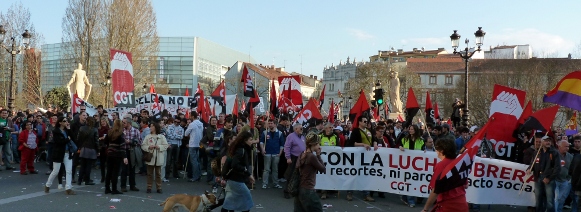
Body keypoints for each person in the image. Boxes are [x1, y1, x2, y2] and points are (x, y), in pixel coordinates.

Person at [422, 138, 468, 212]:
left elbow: (435, 190)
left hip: (447, 205)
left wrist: (425, 209)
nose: (436, 151)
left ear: (441, 151)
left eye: (436, 149)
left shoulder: (441, 165)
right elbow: (466, 185)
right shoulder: (460, 164)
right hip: (462, 204)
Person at [221, 131, 255, 212]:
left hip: (233, 178)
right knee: (247, 199)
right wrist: (247, 172)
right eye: (250, 139)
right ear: (245, 140)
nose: (252, 141)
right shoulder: (241, 150)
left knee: (229, 201)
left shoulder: (238, 148)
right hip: (236, 179)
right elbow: (235, 165)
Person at [294, 132, 326, 212]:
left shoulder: (302, 154)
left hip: (300, 189)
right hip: (308, 190)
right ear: (314, 144)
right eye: (318, 144)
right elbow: (322, 169)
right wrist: (318, 155)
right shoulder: (311, 156)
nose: (319, 146)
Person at [527, 136, 560, 211]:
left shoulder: (554, 153)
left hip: (549, 179)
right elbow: (532, 163)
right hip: (538, 178)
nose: (548, 142)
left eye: (549, 141)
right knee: (538, 200)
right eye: (546, 141)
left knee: (550, 201)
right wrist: (529, 169)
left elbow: (557, 168)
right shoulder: (537, 152)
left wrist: (549, 178)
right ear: (542, 142)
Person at [44, 117, 76, 195]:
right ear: (60, 123)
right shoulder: (55, 131)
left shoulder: (66, 130)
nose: (66, 122)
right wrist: (67, 139)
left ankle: (68, 188)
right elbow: (59, 142)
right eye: (64, 121)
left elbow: (74, 138)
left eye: (67, 121)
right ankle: (48, 185)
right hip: (58, 153)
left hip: (67, 152)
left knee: (69, 170)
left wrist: (69, 129)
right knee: (56, 171)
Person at [399, 124, 425, 207]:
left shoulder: (421, 140)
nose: (410, 130)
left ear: (416, 130)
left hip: (416, 164)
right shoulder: (404, 139)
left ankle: (406, 198)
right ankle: (410, 200)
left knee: (412, 182)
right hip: (406, 164)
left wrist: (424, 151)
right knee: (407, 181)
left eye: (412, 129)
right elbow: (398, 145)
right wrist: (400, 147)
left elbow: (423, 148)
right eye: (410, 129)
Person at [141, 122, 169, 193]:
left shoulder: (161, 137)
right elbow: (143, 145)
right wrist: (148, 147)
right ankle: (149, 187)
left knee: (158, 174)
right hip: (150, 157)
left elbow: (166, 145)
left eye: (152, 126)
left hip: (158, 157)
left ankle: (159, 187)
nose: (150, 128)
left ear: (155, 127)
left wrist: (159, 147)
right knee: (149, 174)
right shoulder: (148, 136)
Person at [105, 120, 129, 195]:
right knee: (115, 172)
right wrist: (124, 157)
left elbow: (105, 142)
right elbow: (122, 147)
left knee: (109, 171)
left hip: (110, 154)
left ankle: (107, 188)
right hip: (117, 155)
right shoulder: (121, 135)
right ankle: (114, 189)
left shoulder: (110, 133)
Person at [259, 119, 285, 189]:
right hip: (267, 153)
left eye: (271, 123)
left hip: (276, 153)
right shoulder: (265, 132)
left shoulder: (279, 133)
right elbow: (261, 142)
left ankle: (275, 183)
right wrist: (262, 149)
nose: (270, 125)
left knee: (275, 169)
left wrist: (280, 152)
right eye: (269, 123)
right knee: (266, 169)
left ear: (275, 124)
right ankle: (264, 183)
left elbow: (282, 144)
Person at [283, 124, 306, 199]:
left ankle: (295, 190)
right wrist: (288, 157)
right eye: (301, 128)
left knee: (299, 175)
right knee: (290, 174)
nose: (302, 130)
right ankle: (286, 191)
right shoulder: (291, 136)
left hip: (301, 157)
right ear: (296, 129)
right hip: (294, 157)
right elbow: (287, 147)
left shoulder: (302, 137)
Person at [120, 116, 141, 192]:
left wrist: (131, 142)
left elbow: (139, 141)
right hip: (124, 150)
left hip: (132, 150)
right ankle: (123, 186)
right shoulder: (121, 130)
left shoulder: (135, 131)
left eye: (124, 123)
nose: (123, 124)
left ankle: (132, 185)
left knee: (132, 168)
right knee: (124, 169)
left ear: (129, 123)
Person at [77, 117, 99, 185]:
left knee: (82, 165)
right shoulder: (95, 130)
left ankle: (79, 180)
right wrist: (98, 150)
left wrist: (79, 147)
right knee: (88, 166)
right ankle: (87, 180)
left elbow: (78, 139)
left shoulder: (81, 128)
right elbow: (96, 141)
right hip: (91, 149)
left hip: (83, 148)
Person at [185, 111, 204, 182]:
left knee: (194, 161)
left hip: (193, 144)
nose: (189, 117)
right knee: (198, 160)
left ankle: (195, 176)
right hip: (199, 144)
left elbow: (186, 133)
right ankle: (198, 175)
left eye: (190, 115)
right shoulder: (201, 124)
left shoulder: (192, 124)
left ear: (193, 116)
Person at [556, 140, 574, 212]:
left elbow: (572, 168)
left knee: (562, 199)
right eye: (565, 146)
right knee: (556, 198)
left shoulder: (570, 156)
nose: (567, 148)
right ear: (559, 146)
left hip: (565, 181)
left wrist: (568, 178)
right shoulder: (554, 154)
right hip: (555, 180)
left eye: (568, 146)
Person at [98, 117, 110, 183]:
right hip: (101, 147)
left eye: (104, 121)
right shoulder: (99, 129)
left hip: (108, 147)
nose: (102, 123)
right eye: (101, 122)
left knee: (108, 164)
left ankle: (108, 177)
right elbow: (97, 137)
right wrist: (100, 138)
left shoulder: (109, 129)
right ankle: (103, 177)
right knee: (102, 163)